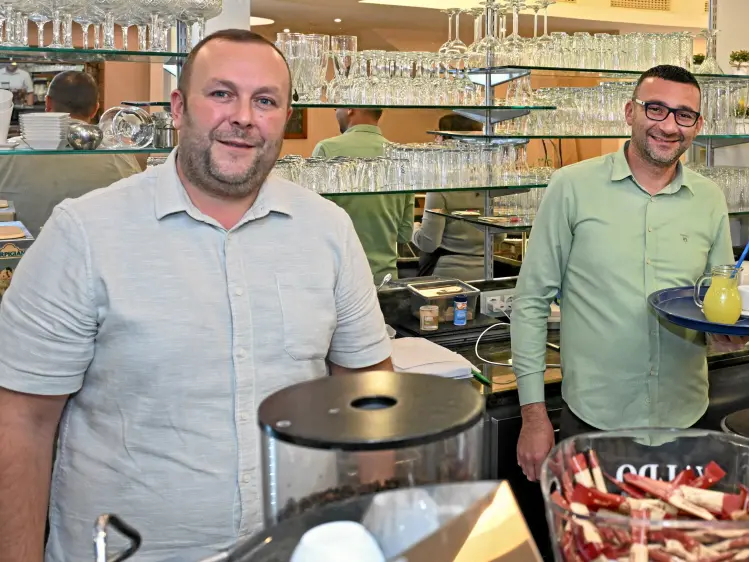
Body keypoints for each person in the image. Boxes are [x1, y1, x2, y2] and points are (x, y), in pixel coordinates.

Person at [0, 29, 393, 562]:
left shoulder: (328, 230)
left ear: (285, 116)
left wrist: (371, 537)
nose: (244, 117)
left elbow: (369, 394)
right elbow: (21, 421)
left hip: (293, 547)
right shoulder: (86, 233)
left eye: (265, 101)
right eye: (222, 94)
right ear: (180, 107)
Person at [512, 65, 747, 481]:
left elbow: (715, 297)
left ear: (697, 126)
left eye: (684, 115)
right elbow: (531, 301)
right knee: (588, 526)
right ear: (629, 112)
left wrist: (726, 332)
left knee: (678, 527)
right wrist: (533, 416)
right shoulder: (571, 186)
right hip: (595, 420)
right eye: (655, 109)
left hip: (684, 419)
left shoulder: (709, 198)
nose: (669, 126)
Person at [0, 70, 141, 236]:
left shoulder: (8, 151)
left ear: (48, 103)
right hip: (101, 249)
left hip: (18, 250)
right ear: (96, 109)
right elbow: (137, 209)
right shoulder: (121, 154)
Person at [313, 108, 414, 282]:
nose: (335, 112)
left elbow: (315, 227)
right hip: (385, 280)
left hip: (340, 281)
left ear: (350, 108)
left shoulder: (326, 150)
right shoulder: (402, 157)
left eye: (336, 107)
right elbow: (404, 234)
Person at [412, 114, 486, 279]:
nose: (435, 139)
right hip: (485, 269)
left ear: (448, 141)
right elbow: (500, 235)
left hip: (446, 272)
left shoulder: (441, 183)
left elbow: (429, 243)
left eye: (438, 134)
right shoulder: (491, 180)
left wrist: (413, 228)